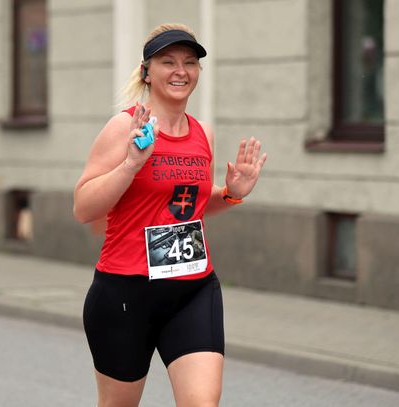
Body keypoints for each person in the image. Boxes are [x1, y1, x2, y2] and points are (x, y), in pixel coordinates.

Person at [73, 23, 267, 407]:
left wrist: (232, 193)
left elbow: (189, 204)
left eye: (190, 62)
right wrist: (130, 164)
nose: (181, 71)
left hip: (193, 289)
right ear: (147, 71)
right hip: (126, 292)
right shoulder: (124, 127)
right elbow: (83, 207)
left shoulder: (203, 133)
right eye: (168, 62)